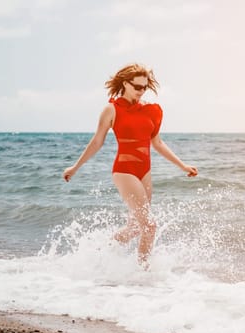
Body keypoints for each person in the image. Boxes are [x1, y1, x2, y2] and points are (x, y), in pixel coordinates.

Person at [62, 63, 198, 269]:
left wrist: (182, 166)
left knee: (135, 228)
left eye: (144, 87)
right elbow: (97, 141)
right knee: (150, 226)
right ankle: (143, 274)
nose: (141, 91)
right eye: (137, 87)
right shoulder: (111, 109)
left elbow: (157, 143)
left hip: (145, 172)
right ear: (125, 84)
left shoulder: (151, 111)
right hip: (124, 171)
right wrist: (75, 167)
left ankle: (99, 253)